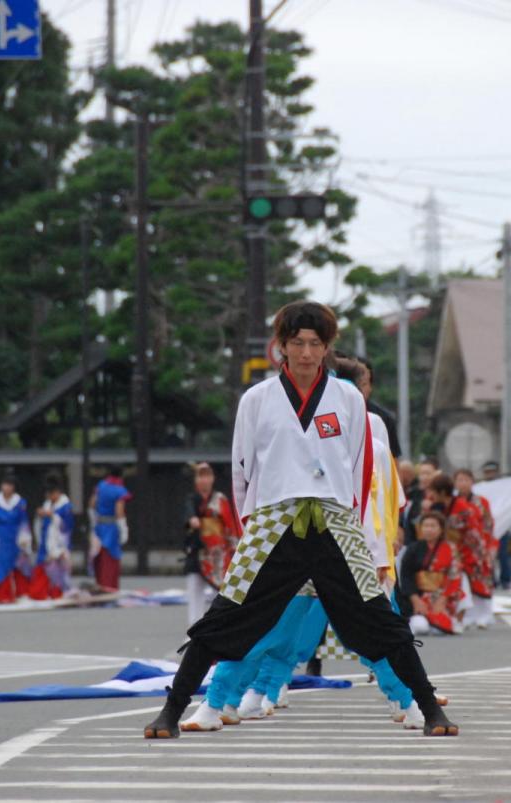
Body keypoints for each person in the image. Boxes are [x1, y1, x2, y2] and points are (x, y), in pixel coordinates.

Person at [144, 300, 457, 739]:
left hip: (334, 517)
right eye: (297, 343)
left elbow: (359, 469)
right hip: (272, 519)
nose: (306, 353)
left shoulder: (347, 397)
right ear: (281, 347)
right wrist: (250, 527)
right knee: (225, 615)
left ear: (327, 347)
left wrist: (353, 527)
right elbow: (241, 470)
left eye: (315, 344)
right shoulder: (257, 400)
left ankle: (428, 708)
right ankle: (171, 711)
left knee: (380, 618)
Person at [182, 463, 240, 626]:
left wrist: (233, 549)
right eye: (201, 476)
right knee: (194, 591)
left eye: (207, 475)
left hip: (218, 552)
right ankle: (194, 627)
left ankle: (219, 625)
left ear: (213, 478)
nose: (204, 480)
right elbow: (189, 516)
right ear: (196, 479)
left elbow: (229, 526)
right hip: (197, 548)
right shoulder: (191, 499)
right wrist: (193, 519)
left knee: (220, 592)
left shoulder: (220, 499)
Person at [400, 511, 465, 635]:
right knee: (420, 626)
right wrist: (415, 600)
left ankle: (446, 619)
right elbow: (406, 576)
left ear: (441, 529)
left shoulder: (450, 548)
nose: (429, 529)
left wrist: (443, 599)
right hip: (418, 595)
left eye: (433, 526)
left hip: (442, 595)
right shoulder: (413, 548)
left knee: (440, 627)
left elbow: (454, 575)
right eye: (426, 526)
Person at [454, 468, 496, 628]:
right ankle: (468, 614)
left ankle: (485, 614)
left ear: (472, 482)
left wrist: (486, 546)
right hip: (460, 549)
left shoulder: (481, 502)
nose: (463, 483)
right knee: (464, 583)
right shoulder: (453, 502)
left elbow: (488, 524)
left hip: (480, 548)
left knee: (482, 581)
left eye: (466, 479)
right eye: (459, 480)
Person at [0, 474, 32, 603]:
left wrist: (24, 537)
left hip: (16, 535)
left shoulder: (20, 503)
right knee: (1, 565)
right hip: (0, 535)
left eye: (9, 485)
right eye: (5, 485)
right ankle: (3, 594)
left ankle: (22, 592)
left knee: (19, 563)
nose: (6, 488)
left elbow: (23, 521)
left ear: (13, 487)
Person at [29, 474, 74, 600]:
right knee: (41, 568)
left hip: (59, 544)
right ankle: (40, 592)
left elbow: (67, 527)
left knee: (58, 570)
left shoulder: (66, 507)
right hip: (46, 541)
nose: (50, 497)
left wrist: (53, 516)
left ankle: (57, 591)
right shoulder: (47, 504)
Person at [88, 466, 130, 592]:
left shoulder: (101, 486)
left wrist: (94, 520)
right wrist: (124, 528)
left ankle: (99, 585)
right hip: (111, 528)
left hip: (99, 526)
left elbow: (92, 504)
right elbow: (119, 511)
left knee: (100, 559)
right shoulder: (119, 490)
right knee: (111, 559)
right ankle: (110, 588)